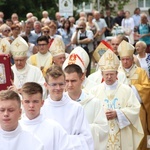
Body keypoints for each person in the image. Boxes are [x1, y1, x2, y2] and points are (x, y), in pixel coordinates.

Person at [90, 49, 143, 149]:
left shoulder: (126, 90)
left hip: (122, 134)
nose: (109, 77)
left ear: (117, 74)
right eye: (106, 74)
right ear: (102, 74)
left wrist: (118, 113)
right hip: (103, 133)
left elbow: (135, 109)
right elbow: (90, 112)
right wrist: (102, 114)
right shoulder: (94, 91)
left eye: (112, 74)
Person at [41, 65, 94, 150]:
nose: (58, 88)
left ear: (65, 84)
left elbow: (87, 139)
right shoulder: (41, 109)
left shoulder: (76, 108)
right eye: (54, 84)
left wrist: (60, 141)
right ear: (46, 85)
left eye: (61, 84)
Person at [63, 62, 108, 150]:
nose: (69, 85)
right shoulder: (61, 102)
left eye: (73, 81)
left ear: (82, 78)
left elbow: (103, 129)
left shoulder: (94, 102)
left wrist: (83, 128)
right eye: (66, 81)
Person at [20, 82, 77, 150]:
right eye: (27, 102)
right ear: (22, 102)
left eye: (35, 101)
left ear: (42, 103)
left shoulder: (54, 128)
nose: (31, 105)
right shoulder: (15, 128)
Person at [118, 40, 150, 150]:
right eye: (123, 59)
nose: (125, 62)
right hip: (122, 110)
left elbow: (147, 89)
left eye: (127, 59)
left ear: (132, 59)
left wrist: (132, 89)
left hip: (138, 110)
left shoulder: (141, 72)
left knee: (140, 136)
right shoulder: (116, 73)